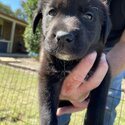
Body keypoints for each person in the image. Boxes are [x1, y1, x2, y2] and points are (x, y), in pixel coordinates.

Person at [57, 0, 125, 125]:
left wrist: (97, 79)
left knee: (106, 104)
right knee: (60, 98)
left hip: (113, 50)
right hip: (74, 43)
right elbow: (52, 18)